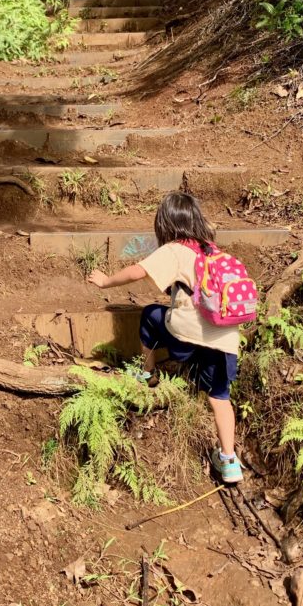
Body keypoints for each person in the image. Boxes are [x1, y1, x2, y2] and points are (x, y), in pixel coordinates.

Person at [86, 191, 244, 484]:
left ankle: (148, 375)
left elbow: (137, 271)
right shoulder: (212, 251)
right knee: (220, 397)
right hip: (225, 339)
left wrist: (105, 281)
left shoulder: (175, 249)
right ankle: (229, 460)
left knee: (150, 316)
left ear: (166, 224)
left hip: (189, 336)